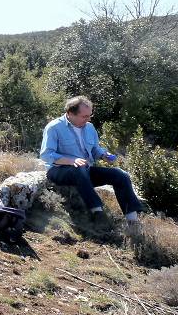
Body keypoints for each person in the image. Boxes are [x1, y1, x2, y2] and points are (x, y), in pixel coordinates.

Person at [40, 96, 142, 224]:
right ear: (70, 113)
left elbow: (94, 149)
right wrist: (71, 161)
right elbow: (46, 154)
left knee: (120, 175)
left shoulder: (89, 127)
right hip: (58, 171)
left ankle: (132, 220)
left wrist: (104, 155)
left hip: (84, 172)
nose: (88, 119)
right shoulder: (54, 127)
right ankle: (98, 213)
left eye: (89, 116)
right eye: (84, 116)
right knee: (79, 168)